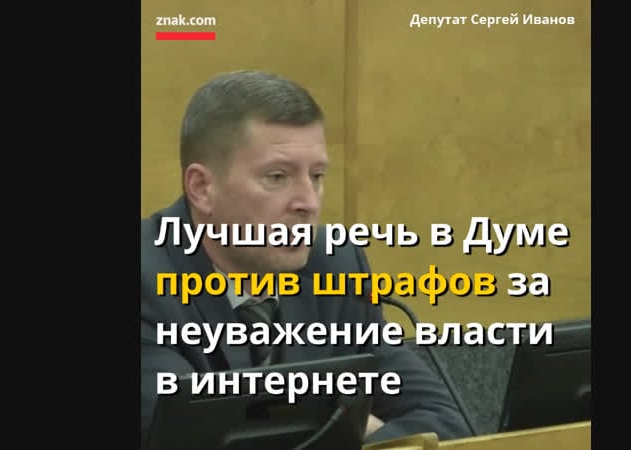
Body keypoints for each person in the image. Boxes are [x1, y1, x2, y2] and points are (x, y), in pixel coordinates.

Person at [140, 70, 472, 446]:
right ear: (202, 188)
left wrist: (322, 429)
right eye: (277, 177)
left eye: (316, 176)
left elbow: (444, 426)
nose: (309, 203)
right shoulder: (147, 283)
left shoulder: (334, 265)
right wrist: (354, 428)